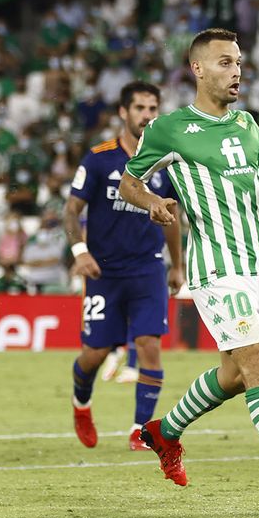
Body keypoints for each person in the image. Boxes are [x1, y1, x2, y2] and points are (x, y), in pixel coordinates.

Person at [120, 28, 259, 507]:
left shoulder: (247, 125)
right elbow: (128, 184)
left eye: (238, 62)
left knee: (235, 376)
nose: (236, 71)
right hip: (215, 270)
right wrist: (155, 201)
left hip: (254, 268)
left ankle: (164, 431)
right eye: (224, 62)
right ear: (197, 69)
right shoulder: (168, 128)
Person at [65, 81, 185, 451]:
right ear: (123, 112)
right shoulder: (99, 158)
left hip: (147, 268)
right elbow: (71, 211)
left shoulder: (166, 161)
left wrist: (176, 266)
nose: (147, 115)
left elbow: (173, 217)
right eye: (139, 108)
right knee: (94, 355)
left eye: (152, 109)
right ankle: (81, 404)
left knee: (149, 344)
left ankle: (140, 430)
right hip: (103, 271)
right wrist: (80, 252)